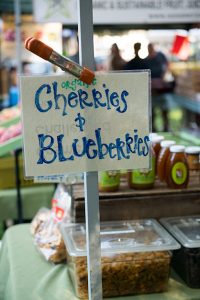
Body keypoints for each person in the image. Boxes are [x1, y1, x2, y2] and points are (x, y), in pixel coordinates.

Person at [146, 43, 170, 132]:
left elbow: (166, 65)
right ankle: (153, 128)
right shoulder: (147, 60)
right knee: (152, 109)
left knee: (164, 109)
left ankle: (166, 126)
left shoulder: (160, 55)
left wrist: (163, 76)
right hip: (152, 89)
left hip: (161, 87)